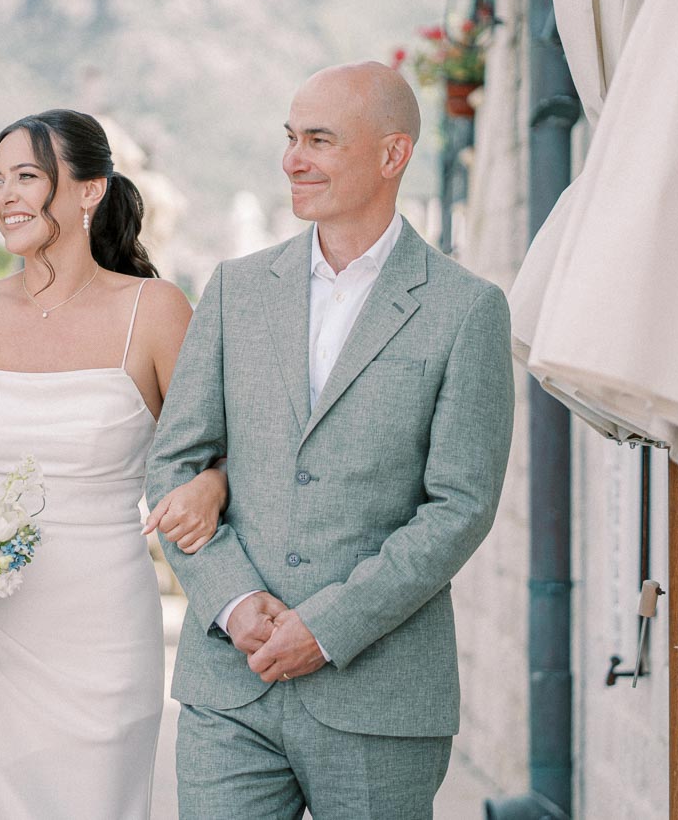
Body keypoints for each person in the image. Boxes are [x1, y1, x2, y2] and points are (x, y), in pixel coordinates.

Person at [146, 62, 514, 819]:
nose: (293, 161)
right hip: (230, 686)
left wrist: (327, 627)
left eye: (318, 140)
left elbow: (460, 507)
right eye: (289, 138)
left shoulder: (466, 310)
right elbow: (175, 464)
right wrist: (233, 600)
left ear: (392, 154)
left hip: (380, 697)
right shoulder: (236, 289)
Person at [0, 109, 227, 819]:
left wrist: (210, 481)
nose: (6, 195)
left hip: (102, 638)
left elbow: (223, 452)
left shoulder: (158, 310)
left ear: (91, 190)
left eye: (28, 176)